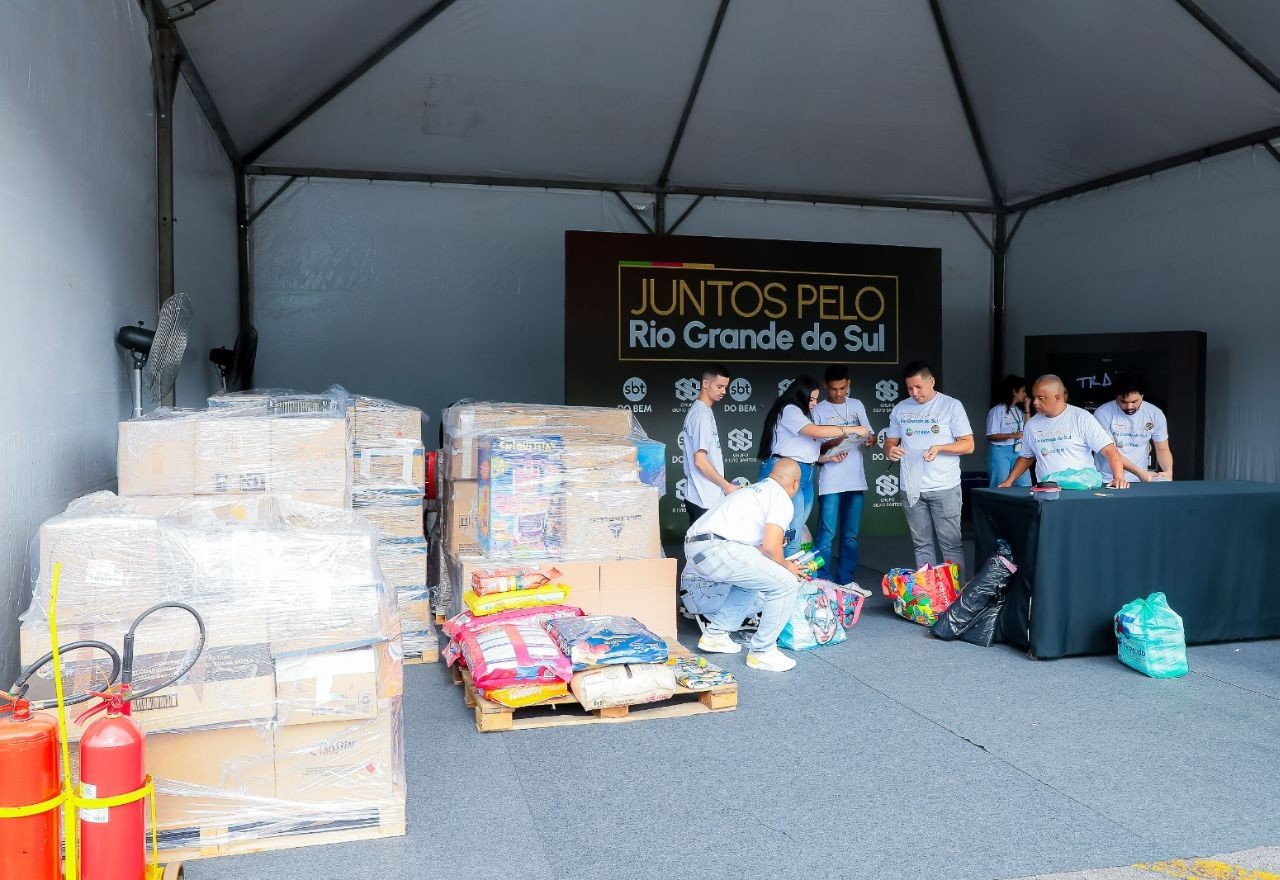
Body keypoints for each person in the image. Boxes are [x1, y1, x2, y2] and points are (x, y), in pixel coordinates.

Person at [685, 457, 807, 672]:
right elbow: (771, 547)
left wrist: (773, 552)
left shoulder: (753, 490)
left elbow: (758, 548)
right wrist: (787, 566)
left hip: (699, 549)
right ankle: (762, 652)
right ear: (796, 484)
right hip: (717, 549)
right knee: (785, 584)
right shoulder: (781, 497)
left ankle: (715, 636)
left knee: (753, 580)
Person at [758, 376, 869, 557]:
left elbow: (806, 452)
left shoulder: (803, 414)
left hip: (805, 472)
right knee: (791, 533)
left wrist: (828, 458)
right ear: (799, 395)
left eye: (816, 399)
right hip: (785, 472)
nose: (814, 403)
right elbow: (816, 432)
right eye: (811, 399)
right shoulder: (789, 409)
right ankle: (787, 581)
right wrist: (853, 429)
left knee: (797, 528)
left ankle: (793, 578)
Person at [884, 362, 974, 581]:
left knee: (950, 544)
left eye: (919, 387)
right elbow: (889, 442)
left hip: (944, 486)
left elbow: (968, 445)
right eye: (910, 389)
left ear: (931, 381)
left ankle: (955, 594)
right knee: (921, 545)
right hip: (911, 487)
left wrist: (940, 447)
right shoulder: (901, 409)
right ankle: (931, 596)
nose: (914, 393)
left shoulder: (951, 406)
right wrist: (890, 450)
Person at [998, 375, 1131, 489]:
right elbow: (1027, 456)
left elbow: (1109, 450)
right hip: (1047, 492)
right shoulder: (1031, 425)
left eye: (1041, 398)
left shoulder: (1081, 418)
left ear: (1057, 397)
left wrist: (1118, 477)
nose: (1035, 402)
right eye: (1034, 397)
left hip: (1080, 491)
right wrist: (1009, 481)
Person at [812, 365, 875, 585]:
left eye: (842, 388)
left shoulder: (857, 405)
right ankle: (823, 581)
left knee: (850, 536)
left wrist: (869, 439)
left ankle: (846, 580)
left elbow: (869, 434)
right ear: (826, 387)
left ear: (849, 384)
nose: (838, 393)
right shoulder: (818, 410)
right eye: (833, 389)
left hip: (855, 480)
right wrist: (838, 440)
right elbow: (814, 448)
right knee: (826, 535)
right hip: (830, 480)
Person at [681, 363, 738, 525]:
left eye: (725, 387)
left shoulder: (702, 411)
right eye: (719, 386)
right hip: (703, 498)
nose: (723, 392)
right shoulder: (701, 415)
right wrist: (726, 486)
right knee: (705, 549)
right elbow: (700, 461)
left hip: (703, 495)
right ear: (705, 384)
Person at [1092, 376, 1173, 482]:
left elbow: (1162, 448)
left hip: (1141, 480)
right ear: (1116, 397)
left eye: (1134, 401)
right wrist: (1140, 473)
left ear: (1142, 395)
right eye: (1123, 402)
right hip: (1107, 479)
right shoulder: (1102, 413)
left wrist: (1168, 472)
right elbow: (1111, 452)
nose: (1129, 406)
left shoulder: (1155, 413)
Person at [986, 374, 1032, 488]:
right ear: (1014, 392)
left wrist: (1027, 409)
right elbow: (991, 435)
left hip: (1018, 451)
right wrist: (1012, 435)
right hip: (1000, 451)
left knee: (1025, 485)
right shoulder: (997, 410)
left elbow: (1028, 428)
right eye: (1023, 391)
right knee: (1001, 484)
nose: (1025, 394)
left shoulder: (1018, 410)